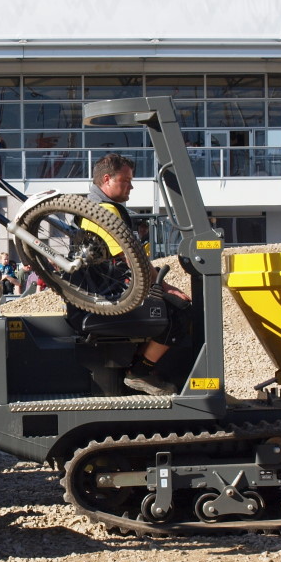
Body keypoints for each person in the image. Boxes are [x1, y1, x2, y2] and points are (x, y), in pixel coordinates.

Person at [79, 153, 190, 396]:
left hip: (106, 291)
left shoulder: (92, 207)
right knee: (179, 312)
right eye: (126, 180)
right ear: (107, 179)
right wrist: (166, 288)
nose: (131, 185)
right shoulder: (105, 211)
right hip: (109, 296)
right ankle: (140, 371)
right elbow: (131, 258)